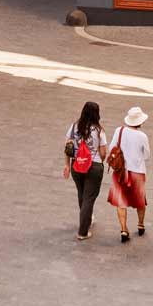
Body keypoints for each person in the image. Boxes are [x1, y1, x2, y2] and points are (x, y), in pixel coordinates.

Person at [63, 101, 109, 240]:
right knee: (89, 198)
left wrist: (66, 165)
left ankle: (87, 218)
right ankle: (83, 231)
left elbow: (67, 147)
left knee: (82, 194)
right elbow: (103, 153)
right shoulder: (99, 131)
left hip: (76, 165)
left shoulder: (73, 127)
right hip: (93, 167)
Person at [107, 106, 152, 241]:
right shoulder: (142, 136)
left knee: (121, 201)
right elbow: (147, 155)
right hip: (137, 171)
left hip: (121, 171)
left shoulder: (119, 131)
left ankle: (123, 229)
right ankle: (140, 224)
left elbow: (111, 148)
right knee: (140, 201)